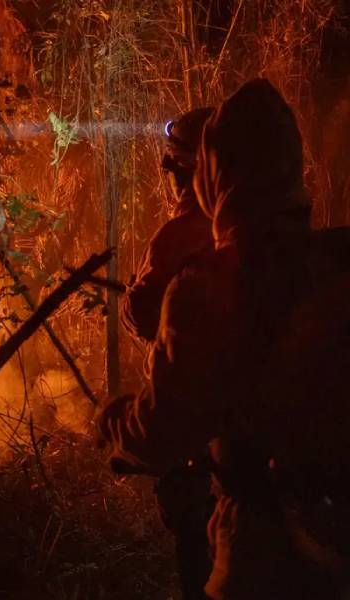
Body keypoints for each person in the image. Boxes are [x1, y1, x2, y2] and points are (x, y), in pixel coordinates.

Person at [97, 78, 350, 599]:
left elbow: (164, 428)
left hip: (262, 552)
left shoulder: (209, 289)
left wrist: (115, 424)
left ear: (214, 176)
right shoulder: (335, 264)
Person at [120, 107, 215, 600]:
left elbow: (142, 312)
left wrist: (122, 427)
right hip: (281, 480)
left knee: (201, 559)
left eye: (175, 165)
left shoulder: (183, 236)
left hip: (207, 455)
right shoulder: (278, 233)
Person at [121, 107, 214, 343]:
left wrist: (133, 297)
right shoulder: (252, 226)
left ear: (183, 170)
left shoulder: (178, 237)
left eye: (172, 162)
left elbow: (141, 316)